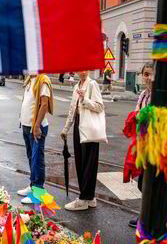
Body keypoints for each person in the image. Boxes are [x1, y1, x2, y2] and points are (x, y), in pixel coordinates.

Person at [60, 70, 104, 211]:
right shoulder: (76, 86)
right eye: (80, 68)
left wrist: (85, 100)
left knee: (89, 163)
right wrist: (66, 129)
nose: (82, 71)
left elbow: (100, 107)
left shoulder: (92, 84)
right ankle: (89, 198)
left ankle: (84, 198)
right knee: (80, 161)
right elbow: (72, 110)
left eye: (85, 68)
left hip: (89, 127)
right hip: (78, 125)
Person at [17, 75, 54, 204]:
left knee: (37, 159)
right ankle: (33, 185)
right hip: (27, 126)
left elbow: (44, 104)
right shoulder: (29, 79)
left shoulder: (43, 80)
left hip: (36, 127)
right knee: (31, 158)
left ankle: (38, 192)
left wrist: (37, 125)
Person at [128, 62, 154, 228]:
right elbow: (137, 114)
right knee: (143, 182)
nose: (149, 78)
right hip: (143, 144)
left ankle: (150, 217)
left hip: (155, 146)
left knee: (150, 182)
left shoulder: (158, 95)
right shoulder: (144, 94)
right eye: (146, 74)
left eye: (152, 74)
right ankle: (147, 215)